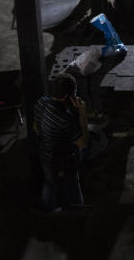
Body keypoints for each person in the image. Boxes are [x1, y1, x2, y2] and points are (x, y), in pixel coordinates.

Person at [33, 73, 88, 212]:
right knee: (73, 189)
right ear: (66, 96)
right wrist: (82, 112)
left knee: (50, 185)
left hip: (45, 155)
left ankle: (48, 214)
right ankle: (78, 215)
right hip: (64, 161)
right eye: (75, 92)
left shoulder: (41, 102)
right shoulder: (65, 120)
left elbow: (36, 128)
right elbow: (83, 142)